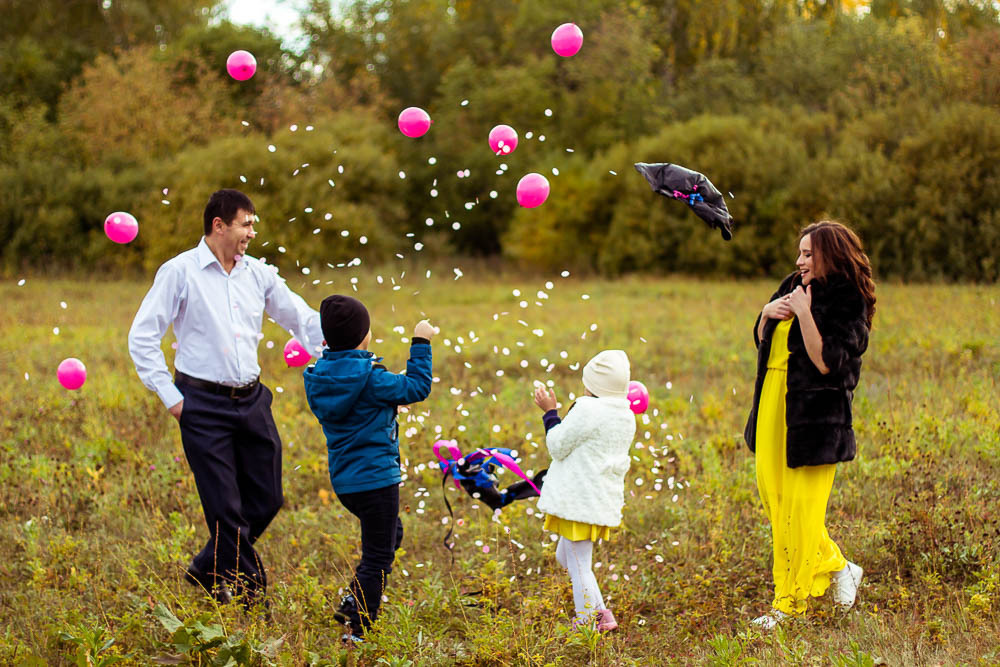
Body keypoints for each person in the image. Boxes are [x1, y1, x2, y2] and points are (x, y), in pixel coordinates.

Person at [128, 189, 324, 605]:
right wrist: (172, 397)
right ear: (219, 225)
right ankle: (252, 600)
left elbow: (298, 316)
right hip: (201, 404)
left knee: (268, 498)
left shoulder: (258, 273)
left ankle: (205, 567)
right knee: (226, 509)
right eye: (246, 223)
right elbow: (143, 336)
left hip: (252, 400)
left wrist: (342, 348)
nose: (252, 232)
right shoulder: (179, 272)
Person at [743, 220, 876, 629]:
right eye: (799, 253)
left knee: (800, 511)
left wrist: (803, 313)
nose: (799, 261)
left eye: (807, 254)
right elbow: (764, 342)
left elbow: (827, 363)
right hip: (773, 403)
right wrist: (766, 316)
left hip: (817, 419)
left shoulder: (847, 299)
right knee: (775, 502)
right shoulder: (791, 284)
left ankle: (789, 604)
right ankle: (839, 566)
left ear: (829, 255)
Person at [302, 295, 435, 642]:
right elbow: (419, 387)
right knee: (377, 557)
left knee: (392, 534)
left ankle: (354, 598)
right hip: (377, 481)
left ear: (327, 340)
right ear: (364, 336)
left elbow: (358, 403)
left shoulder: (319, 377)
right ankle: (357, 627)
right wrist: (420, 341)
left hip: (346, 482)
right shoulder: (373, 379)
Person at [533, 350, 637, 632]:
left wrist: (550, 413)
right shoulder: (626, 414)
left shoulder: (587, 409)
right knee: (566, 557)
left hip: (578, 499)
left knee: (579, 564)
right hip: (597, 499)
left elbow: (557, 446)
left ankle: (589, 622)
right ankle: (601, 614)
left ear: (593, 385)